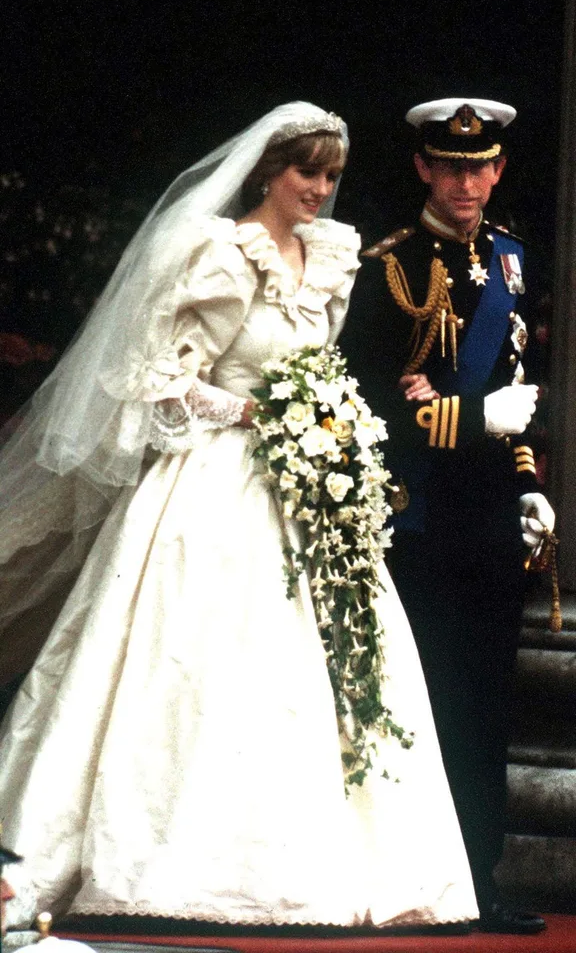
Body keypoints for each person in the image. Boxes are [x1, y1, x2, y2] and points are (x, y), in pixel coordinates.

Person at [0, 102, 477, 931]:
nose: (320, 192)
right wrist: (260, 416)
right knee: (191, 652)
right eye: (306, 174)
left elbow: (320, 364)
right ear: (267, 171)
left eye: (331, 176)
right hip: (216, 476)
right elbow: (163, 378)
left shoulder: (329, 258)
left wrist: (324, 422)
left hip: (305, 485)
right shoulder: (222, 256)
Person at [339, 97, 554, 935]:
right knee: (428, 699)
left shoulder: (508, 260)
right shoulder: (388, 266)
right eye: (451, 166)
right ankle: (420, 878)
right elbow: (364, 404)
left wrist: (529, 480)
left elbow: (517, 391)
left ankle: (482, 880)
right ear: (425, 168)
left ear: (498, 169)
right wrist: (472, 420)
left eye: (482, 166)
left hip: (491, 512)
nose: (467, 181)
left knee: (489, 702)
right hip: (416, 513)